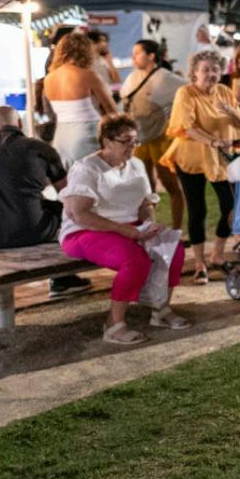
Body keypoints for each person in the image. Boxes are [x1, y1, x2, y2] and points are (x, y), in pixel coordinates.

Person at [58, 114, 191, 345]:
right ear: (107, 142)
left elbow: (145, 204)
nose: (132, 146)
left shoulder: (136, 165)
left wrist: (149, 225)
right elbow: (79, 214)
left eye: (135, 141)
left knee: (174, 249)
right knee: (134, 259)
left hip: (130, 226)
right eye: (126, 141)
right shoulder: (87, 168)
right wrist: (127, 231)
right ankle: (113, 324)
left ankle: (161, 309)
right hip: (86, 230)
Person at [0, 105, 88, 303]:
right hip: (30, 232)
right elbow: (67, 192)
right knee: (63, 208)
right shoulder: (41, 148)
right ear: (20, 124)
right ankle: (62, 280)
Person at [161, 49, 240, 283]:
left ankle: (217, 254)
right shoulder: (185, 93)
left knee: (231, 206)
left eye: (215, 69)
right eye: (205, 70)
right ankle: (200, 263)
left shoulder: (224, 91)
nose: (210, 74)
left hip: (219, 157)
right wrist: (213, 141)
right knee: (197, 209)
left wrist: (231, 111)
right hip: (190, 157)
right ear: (195, 73)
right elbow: (187, 127)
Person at [123, 38, 186, 232]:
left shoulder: (165, 78)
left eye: (137, 53)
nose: (133, 57)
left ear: (151, 56)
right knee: (144, 187)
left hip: (161, 138)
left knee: (170, 184)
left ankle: (177, 230)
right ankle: (149, 227)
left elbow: (188, 91)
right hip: (139, 139)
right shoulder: (133, 77)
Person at [43, 31, 116, 167]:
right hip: (87, 134)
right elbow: (111, 110)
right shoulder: (88, 75)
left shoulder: (48, 79)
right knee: (95, 176)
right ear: (85, 52)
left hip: (61, 137)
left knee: (69, 178)